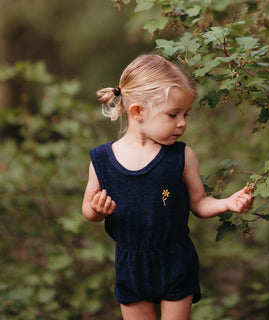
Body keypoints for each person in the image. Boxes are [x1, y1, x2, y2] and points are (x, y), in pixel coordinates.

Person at [82, 54, 254, 320]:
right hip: (131, 264)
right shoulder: (102, 160)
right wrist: (97, 210)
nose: (183, 122)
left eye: (185, 114)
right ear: (137, 111)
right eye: (173, 114)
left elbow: (198, 203)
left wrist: (226, 203)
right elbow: (88, 209)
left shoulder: (182, 157)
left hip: (175, 260)